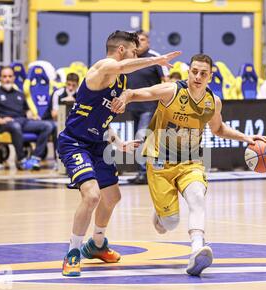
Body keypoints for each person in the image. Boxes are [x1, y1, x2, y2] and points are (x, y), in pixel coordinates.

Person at [111, 54, 266, 276]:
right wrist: (126, 96)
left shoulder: (212, 102)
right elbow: (141, 93)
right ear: (189, 72)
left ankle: (197, 249)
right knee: (170, 223)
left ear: (210, 77)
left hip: (190, 161)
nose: (197, 76)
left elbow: (219, 129)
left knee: (197, 197)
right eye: (194, 71)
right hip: (160, 162)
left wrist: (247, 138)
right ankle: (160, 215)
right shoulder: (172, 91)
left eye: (203, 73)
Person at [57, 30, 180, 277]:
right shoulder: (103, 68)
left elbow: (102, 120)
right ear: (122, 50)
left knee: (112, 197)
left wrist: (119, 142)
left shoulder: (119, 84)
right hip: (75, 143)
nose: (137, 55)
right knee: (91, 196)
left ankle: (98, 244)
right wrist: (155, 60)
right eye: (135, 52)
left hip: (98, 142)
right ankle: (73, 252)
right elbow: (123, 65)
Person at [0, 66, 54, 170]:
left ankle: (35, 158)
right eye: (4, 76)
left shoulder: (19, 93)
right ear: (0, 78)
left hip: (23, 121)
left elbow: (27, 110)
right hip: (5, 124)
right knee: (15, 126)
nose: (7, 79)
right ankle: (21, 160)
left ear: (14, 78)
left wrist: (33, 116)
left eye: (10, 76)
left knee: (47, 125)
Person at [126, 30, 169, 185]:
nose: (140, 42)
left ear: (148, 42)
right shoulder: (130, 58)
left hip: (150, 107)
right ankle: (145, 172)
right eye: (137, 40)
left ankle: (144, 173)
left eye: (143, 40)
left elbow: (167, 81)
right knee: (139, 140)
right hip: (133, 107)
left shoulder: (155, 57)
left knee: (141, 137)